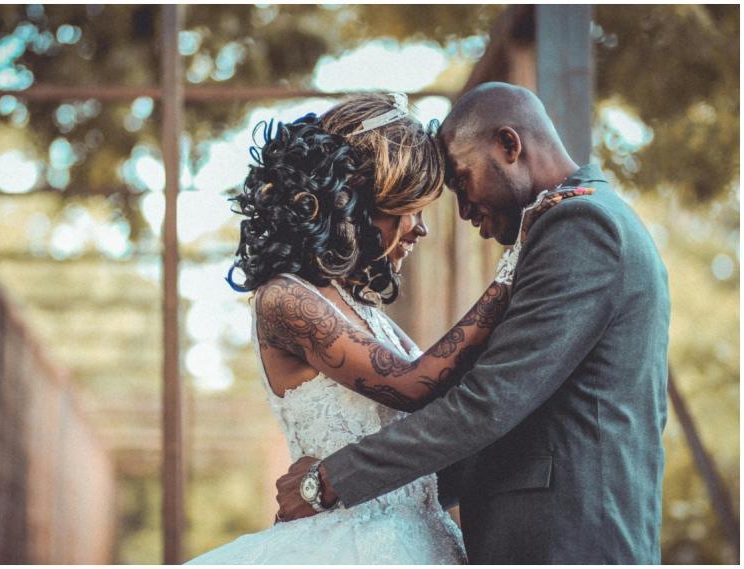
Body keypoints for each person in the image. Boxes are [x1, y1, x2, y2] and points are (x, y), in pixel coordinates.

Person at [274, 82, 671, 564]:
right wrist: (384, 508)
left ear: (508, 145)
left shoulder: (581, 225)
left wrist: (332, 479)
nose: (462, 211)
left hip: (571, 544)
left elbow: (490, 401)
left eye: (461, 182)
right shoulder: (579, 221)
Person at [186, 92, 588, 564]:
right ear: (355, 201)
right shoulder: (285, 299)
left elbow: (446, 400)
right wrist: (512, 268)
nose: (420, 229)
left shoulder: (362, 309)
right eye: (410, 208)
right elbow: (412, 385)